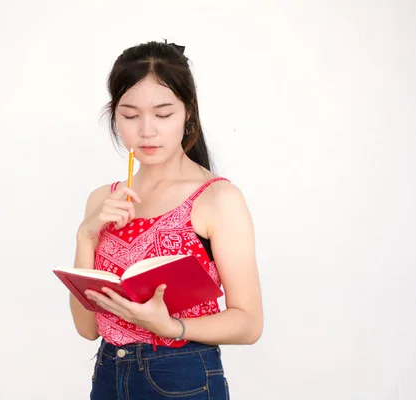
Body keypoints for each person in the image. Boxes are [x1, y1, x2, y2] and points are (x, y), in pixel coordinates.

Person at [68, 40, 263, 399]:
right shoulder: (102, 199)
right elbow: (87, 328)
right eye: (130, 115)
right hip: (109, 374)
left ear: (188, 113)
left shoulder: (217, 198)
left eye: (162, 114)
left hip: (181, 376)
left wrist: (172, 326)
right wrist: (85, 236)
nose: (146, 131)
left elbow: (249, 324)